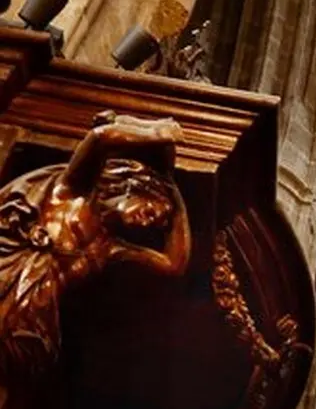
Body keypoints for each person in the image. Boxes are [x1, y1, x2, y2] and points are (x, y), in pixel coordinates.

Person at [0, 111, 191, 379]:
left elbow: (174, 263)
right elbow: (100, 137)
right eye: (149, 212)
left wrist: (173, 190)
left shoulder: (109, 248)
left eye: (152, 224)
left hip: (33, 321)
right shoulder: (73, 193)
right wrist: (156, 131)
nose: (145, 222)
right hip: (7, 280)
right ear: (134, 187)